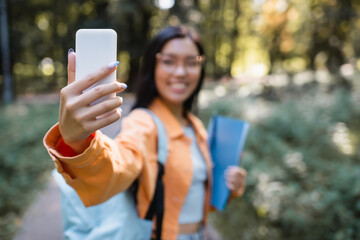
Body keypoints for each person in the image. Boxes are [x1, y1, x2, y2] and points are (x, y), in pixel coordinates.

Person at [43, 25, 247, 240]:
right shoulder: (143, 122)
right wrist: (79, 143)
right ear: (152, 67)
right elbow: (120, 163)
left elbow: (192, 196)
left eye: (191, 62)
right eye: (168, 61)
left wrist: (229, 189)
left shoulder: (196, 126)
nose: (180, 72)